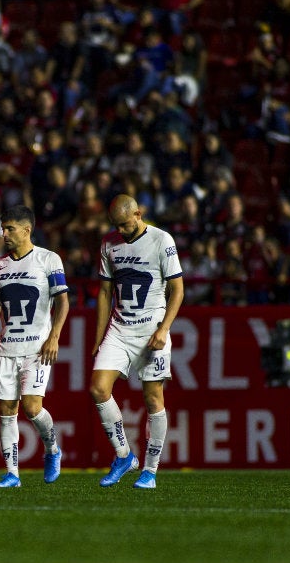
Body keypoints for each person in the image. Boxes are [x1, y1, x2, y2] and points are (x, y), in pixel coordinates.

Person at [89, 193, 184, 489]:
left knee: (153, 398)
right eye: (116, 226)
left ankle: (150, 471)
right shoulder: (108, 244)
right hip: (120, 329)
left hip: (152, 330)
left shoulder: (162, 240)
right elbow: (105, 294)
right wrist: (98, 336)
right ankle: (124, 456)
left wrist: (164, 329)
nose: (121, 231)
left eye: (125, 225)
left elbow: (178, 291)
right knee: (98, 388)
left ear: (138, 214)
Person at [0, 205, 70, 487]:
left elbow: (63, 301)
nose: (4, 234)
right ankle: (12, 474)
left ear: (27, 230)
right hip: (7, 348)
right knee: (6, 409)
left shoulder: (48, 259)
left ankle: (52, 449)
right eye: (3, 228)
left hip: (37, 348)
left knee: (31, 407)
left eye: (10, 229)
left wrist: (54, 337)